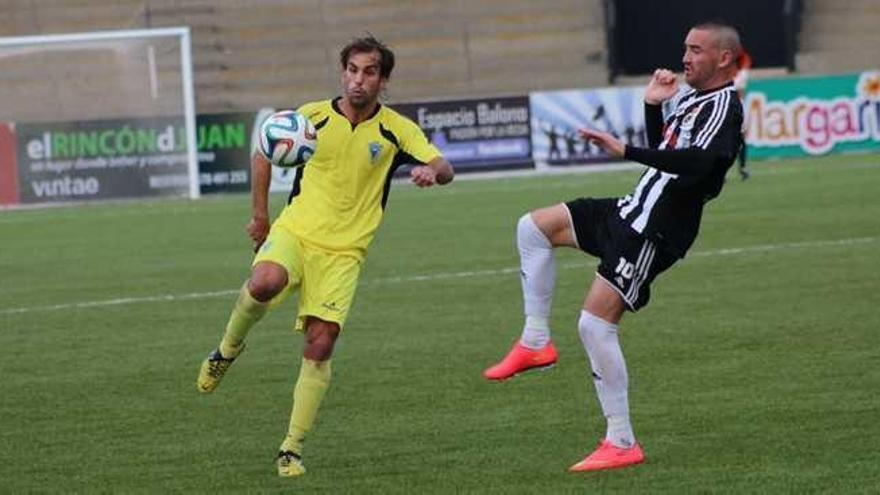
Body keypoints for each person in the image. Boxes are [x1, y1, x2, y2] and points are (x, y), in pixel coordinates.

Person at [483, 21, 744, 472]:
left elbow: (702, 164)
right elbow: (667, 149)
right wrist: (652, 106)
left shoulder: (724, 106)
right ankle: (535, 341)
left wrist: (625, 151)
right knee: (532, 227)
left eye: (696, 50)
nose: (685, 57)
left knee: (594, 325)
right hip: (630, 210)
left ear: (723, 59)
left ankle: (621, 441)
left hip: (655, 230)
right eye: (684, 47)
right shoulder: (694, 99)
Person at [196, 35, 454, 478]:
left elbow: (445, 167)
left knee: (320, 344)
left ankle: (290, 448)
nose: (358, 80)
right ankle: (227, 349)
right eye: (352, 70)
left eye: (369, 72)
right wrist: (260, 217)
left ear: (383, 80)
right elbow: (262, 152)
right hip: (296, 231)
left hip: (345, 253)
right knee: (263, 283)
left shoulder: (396, 129)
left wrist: (432, 170)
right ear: (342, 73)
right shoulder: (310, 117)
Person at [733, 49, 752, 180]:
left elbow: (746, 61)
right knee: (738, 141)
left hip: (736, 108)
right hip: (735, 108)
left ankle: (743, 167)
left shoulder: (740, 75)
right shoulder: (740, 75)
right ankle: (743, 168)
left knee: (740, 140)